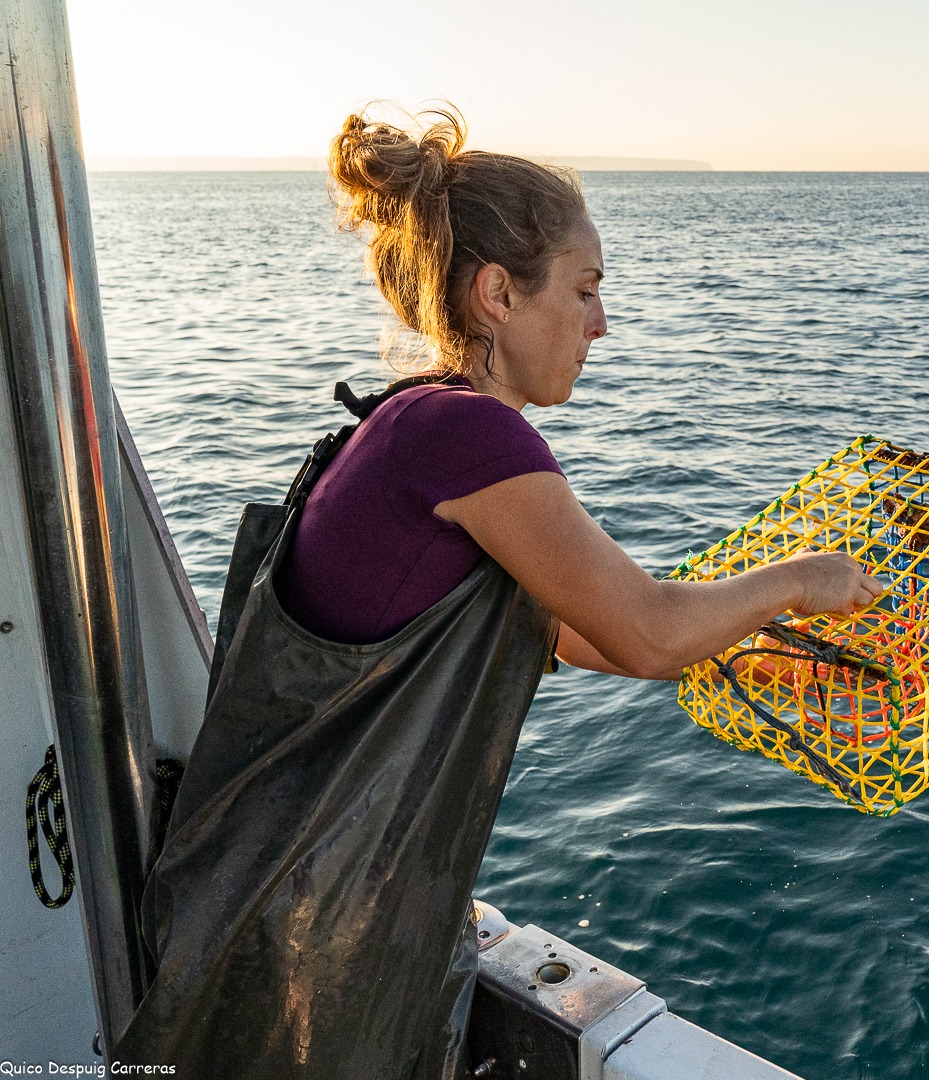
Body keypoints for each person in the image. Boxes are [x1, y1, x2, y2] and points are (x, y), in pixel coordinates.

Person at [114, 105, 883, 1078]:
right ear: (496, 293)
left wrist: (758, 648)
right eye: (585, 289)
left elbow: (579, 634)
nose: (602, 323)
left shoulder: (411, 426)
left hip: (290, 902)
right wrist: (804, 579)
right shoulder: (463, 437)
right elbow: (646, 630)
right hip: (306, 927)